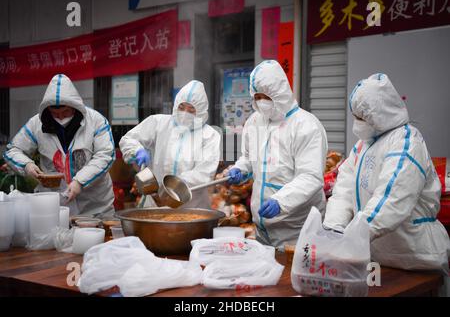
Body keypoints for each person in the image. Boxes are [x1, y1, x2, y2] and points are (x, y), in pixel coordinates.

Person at [324, 73, 450, 273]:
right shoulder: (363, 146)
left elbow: (392, 197)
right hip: (375, 256)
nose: (357, 123)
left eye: (361, 117)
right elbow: (344, 188)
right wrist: (334, 227)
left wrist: (355, 235)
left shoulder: (407, 142)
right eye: (355, 117)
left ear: (378, 114)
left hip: (416, 258)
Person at [226, 60, 328, 249]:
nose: (260, 102)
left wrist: (281, 201)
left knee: (290, 277)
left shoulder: (306, 126)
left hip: (296, 228)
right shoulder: (255, 122)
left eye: (265, 96)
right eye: (256, 96)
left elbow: (311, 177)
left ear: (279, 92)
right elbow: (249, 157)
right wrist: (241, 168)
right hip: (262, 227)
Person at [3, 74, 115, 216]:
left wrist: (80, 182)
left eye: (65, 111)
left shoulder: (96, 121)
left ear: (75, 107)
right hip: (54, 206)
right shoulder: (37, 123)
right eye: (55, 113)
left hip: (95, 206)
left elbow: (106, 155)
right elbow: (12, 150)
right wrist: (27, 165)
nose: (61, 117)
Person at [119, 80, 220, 209]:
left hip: (191, 207)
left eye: (191, 110)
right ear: (176, 105)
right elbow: (129, 139)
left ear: (201, 111)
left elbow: (204, 173)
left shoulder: (209, 135)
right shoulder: (158, 123)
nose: (185, 113)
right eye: (181, 107)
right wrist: (136, 150)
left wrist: (172, 185)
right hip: (155, 203)